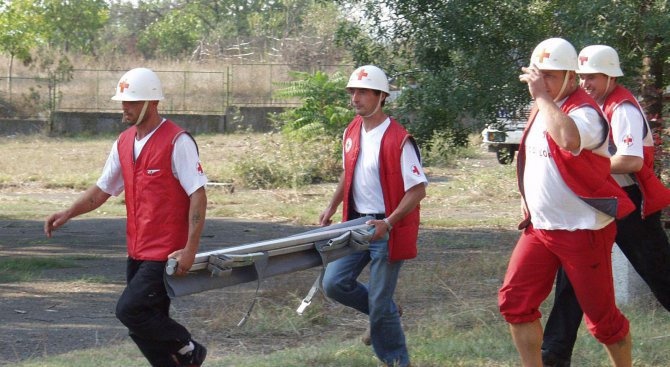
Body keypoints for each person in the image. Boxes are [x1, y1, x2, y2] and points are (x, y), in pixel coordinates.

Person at [44, 67, 208, 367]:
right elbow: (102, 190)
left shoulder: (177, 141)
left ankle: (189, 347)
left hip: (165, 252)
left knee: (130, 310)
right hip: (137, 250)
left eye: (131, 101)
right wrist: (68, 213)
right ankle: (181, 360)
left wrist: (190, 250)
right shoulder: (123, 142)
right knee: (144, 323)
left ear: (152, 103)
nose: (124, 107)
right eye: (123, 101)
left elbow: (198, 195)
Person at [497, 37, 636, 367]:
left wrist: (542, 97)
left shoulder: (585, 112)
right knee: (515, 302)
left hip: (582, 231)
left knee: (603, 321)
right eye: (539, 75)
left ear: (572, 78)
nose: (543, 83)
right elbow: (534, 158)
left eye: (552, 76)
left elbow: (568, 138)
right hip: (541, 229)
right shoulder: (542, 106)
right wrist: (525, 197)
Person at [541, 45, 670, 367]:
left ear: (611, 75)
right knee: (572, 277)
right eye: (582, 76)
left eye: (593, 77)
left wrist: (586, 166)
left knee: (662, 276)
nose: (586, 83)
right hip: (597, 201)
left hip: (630, 205)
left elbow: (630, 160)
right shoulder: (586, 107)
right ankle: (554, 354)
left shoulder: (622, 107)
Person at [319, 64, 427, 367]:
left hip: (387, 228)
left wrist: (388, 223)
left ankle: (396, 360)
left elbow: (418, 190)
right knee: (334, 284)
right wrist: (331, 205)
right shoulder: (351, 131)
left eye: (363, 91)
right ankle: (387, 309)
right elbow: (348, 173)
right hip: (356, 224)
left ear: (381, 96)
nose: (355, 97)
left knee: (378, 303)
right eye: (353, 91)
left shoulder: (398, 138)